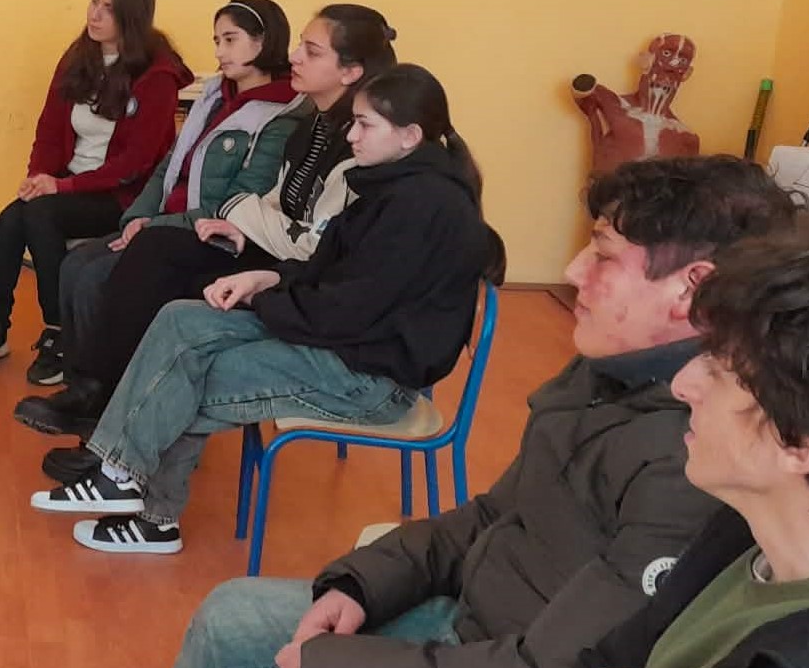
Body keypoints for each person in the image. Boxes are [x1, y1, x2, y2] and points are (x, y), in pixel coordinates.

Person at [123, 154, 800, 668]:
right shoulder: (605, 372)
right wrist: (362, 582)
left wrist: (333, 665)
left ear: (691, 288)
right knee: (228, 616)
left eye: (602, 255)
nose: (570, 270)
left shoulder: (697, 454)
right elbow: (492, 515)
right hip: (473, 636)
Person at [31, 64, 496, 553]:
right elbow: (329, 270)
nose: (351, 136)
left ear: (410, 136)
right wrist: (268, 277)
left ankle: (149, 516)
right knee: (179, 318)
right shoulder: (392, 185)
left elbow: (345, 310)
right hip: (346, 344)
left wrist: (263, 298)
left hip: (369, 377)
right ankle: (120, 476)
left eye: (365, 125)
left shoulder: (421, 207)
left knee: (190, 373)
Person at [497, 213, 809, 668]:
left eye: (719, 370)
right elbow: (600, 659)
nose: (682, 384)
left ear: (802, 444)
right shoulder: (744, 526)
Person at [15, 4, 396, 449]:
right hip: (257, 242)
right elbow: (207, 178)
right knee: (97, 258)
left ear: (350, 71)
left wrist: (231, 218)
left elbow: (311, 237)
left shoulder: (325, 130)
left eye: (311, 51)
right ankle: (96, 403)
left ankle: (107, 419)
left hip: (291, 274)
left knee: (147, 267)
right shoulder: (309, 121)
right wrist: (146, 218)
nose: (295, 57)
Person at [24, 0, 306, 386]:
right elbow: (166, 167)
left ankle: (104, 388)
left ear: (263, 42)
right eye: (217, 41)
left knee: (94, 278)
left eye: (230, 40)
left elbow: (238, 203)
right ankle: (78, 380)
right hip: (161, 221)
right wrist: (139, 216)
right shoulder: (213, 97)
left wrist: (154, 225)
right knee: (74, 266)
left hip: (202, 232)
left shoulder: (278, 116)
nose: (219, 52)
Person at [0, 0, 192, 379]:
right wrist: (39, 177)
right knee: (11, 219)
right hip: (68, 185)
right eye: (93, 0)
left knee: (40, 215)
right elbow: (50, 130)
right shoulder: (79, 57)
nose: (94, 14)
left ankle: (60, 333)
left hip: (122, 197)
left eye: (108, 8)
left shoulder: (156, 74)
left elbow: (135, 163)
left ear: (131, 16)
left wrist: (62, 186)